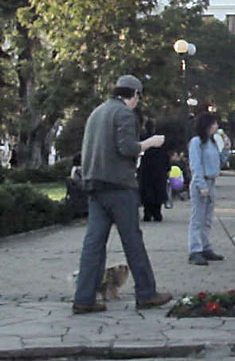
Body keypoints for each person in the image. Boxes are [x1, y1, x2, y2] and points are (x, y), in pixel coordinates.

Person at [72, 75, 172, 314]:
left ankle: (84, 298)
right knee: (133, 242)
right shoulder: (124, 114)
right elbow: (127, 148)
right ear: (134, 94)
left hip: (95, 186)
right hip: (119, 187)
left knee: (93, 244)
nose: (139, 101)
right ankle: (147, 293)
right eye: (139, 96)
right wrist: (149, 143)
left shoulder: (96, 113)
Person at [187, 113, 230, 266]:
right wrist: (201, 185)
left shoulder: (211, 143)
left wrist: (226, 149)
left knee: (207, 219)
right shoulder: (196, 142)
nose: (216, 127)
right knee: (197, 218)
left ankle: (205, 247)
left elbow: (219, 161)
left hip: (212, 181)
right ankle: (195, 250)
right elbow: (195, 164)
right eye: (214, 124)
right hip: (202, 182)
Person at [138, 120, 169, 222]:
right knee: (158, 190)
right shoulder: (159, 140)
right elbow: (165, 155)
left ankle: (147, 212)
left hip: (146, 168)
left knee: (147, 190)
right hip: (159, 169)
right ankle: (157, 213)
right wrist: (167, 168)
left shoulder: (143, 138)